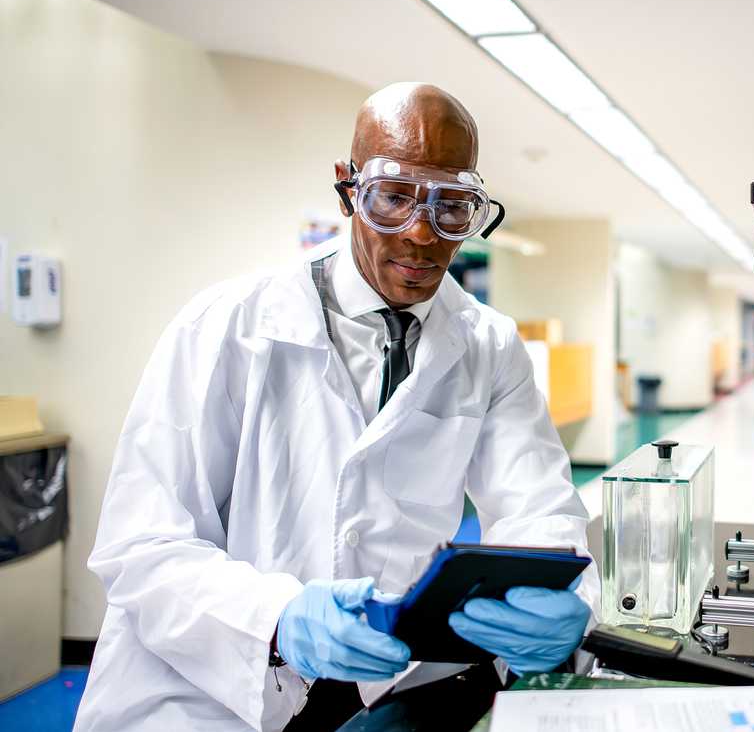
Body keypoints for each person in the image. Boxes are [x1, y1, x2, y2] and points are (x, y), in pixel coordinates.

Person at [74, 83, 599, 732]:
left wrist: (562, 598)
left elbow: (539, 507)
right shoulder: (227, 327)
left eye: (453, 207)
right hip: (203, 692)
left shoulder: (487, 344)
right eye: (394, 195)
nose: (421, 233)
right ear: (348, 187)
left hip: (383, 684)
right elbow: (141, 544)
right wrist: (277, 618)